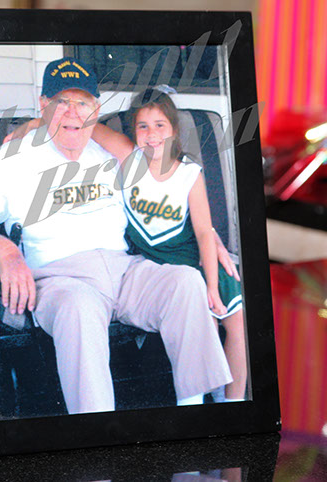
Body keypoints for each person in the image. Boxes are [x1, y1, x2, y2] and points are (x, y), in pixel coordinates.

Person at [0, 57, 232, 415]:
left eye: (82, 103)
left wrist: (209, 235)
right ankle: (97, 428)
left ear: (96, 110)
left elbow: (166, 196)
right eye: (61, 102)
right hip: (62, 279)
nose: (72, 112)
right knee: (78, 309)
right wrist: (5, 250)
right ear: (43, 104)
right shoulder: (13, 159)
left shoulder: (109, 154)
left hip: (125, 272)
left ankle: (194, 412)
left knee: (185, 282)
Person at [81, 86, 248, 402]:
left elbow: (203, 232)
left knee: (237, 323)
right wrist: (36, 123)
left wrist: (213, 286)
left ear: (174, 130)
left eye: (160, 125)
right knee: (205, 322)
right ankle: (208, 396)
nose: (152, 134)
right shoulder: (129, 158)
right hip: (157, 267)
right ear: (133, 131)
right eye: (143, 126)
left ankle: (233, 402)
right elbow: (91, 126)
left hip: (196, 259)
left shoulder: (189, 174)